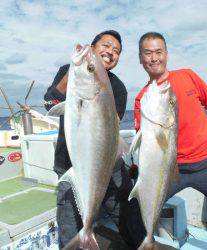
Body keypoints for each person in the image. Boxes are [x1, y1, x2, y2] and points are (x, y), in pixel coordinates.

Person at [134, 32, 207, 250]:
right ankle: (146, 243)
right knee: (136, 215)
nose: (154, 58)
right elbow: (145, 142)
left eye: (159, 52)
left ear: (166, 55)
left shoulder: (187, 76)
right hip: (169, 171)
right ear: (140, 59)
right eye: (148, 53)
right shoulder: (142, 97)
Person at [44, 30, 145, 249]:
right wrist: (80, 69)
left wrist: (87, 69)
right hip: (69, 164)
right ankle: (81, 236)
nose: (111, 52)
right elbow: (50, 104)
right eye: (106, 46)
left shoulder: (117, 88)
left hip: (106, 166)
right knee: (69, 221)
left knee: (128, 216)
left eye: (116, 51)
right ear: (93, 46)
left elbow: (109, 130)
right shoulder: (67, 72)